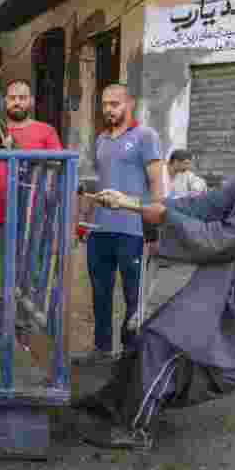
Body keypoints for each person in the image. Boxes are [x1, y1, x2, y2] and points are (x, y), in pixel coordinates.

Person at [74, 114, 235, 450]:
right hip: (226, 283)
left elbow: (225, 238)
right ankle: (113, 400)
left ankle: (134, 428)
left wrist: (163, 217)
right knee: (149, 332)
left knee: (164, 343)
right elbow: (204, 205)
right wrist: (134, 203)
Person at [79, 84, 164, 362]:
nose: (109, 109)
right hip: (100, 230)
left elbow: (156, 184)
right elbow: (99, 182)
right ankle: (102, 348)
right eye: (105, 104)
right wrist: (84, 220)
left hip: (133, 230)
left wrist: (155, 227)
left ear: (130, 104)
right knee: (100, 292)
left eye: (115, 104)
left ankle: (130, 354)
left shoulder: (145, 136)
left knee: (132, 296)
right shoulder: (101, 139)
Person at [0, 79, 63, 301]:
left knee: (29, 274)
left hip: (31, 217)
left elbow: (57, 167)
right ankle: (9, 324)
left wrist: (18, 150)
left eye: (22, 98)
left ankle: (24, 328)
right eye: (12, 98)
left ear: (32, 102)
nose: (17, 102)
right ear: (5, 101)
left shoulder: (45, 131)